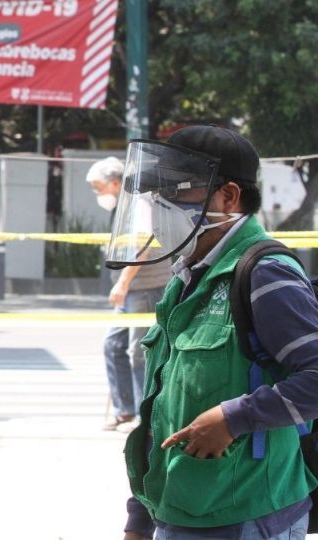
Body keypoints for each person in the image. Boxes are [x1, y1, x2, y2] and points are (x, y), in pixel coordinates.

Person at [108, 126, 318, 539]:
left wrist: (233, 418)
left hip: (246, 514)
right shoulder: (187, 279)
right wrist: (140, 515)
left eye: (179, 191)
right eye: (157, 195)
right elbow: (161, 405)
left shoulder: (265, 272)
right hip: (178, 508)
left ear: (229, 197)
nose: (161, 206)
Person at [86, 157, 172, 431]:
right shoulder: (125, 205)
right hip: (132, 288)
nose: (98, 194)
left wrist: (122, 283)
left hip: (144, 286)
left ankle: (140, 415)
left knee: (139, 352)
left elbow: (143, 244)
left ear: (114, 183)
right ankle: (124, 410)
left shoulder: (139, 202)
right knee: (113, 345)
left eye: (98, 187)